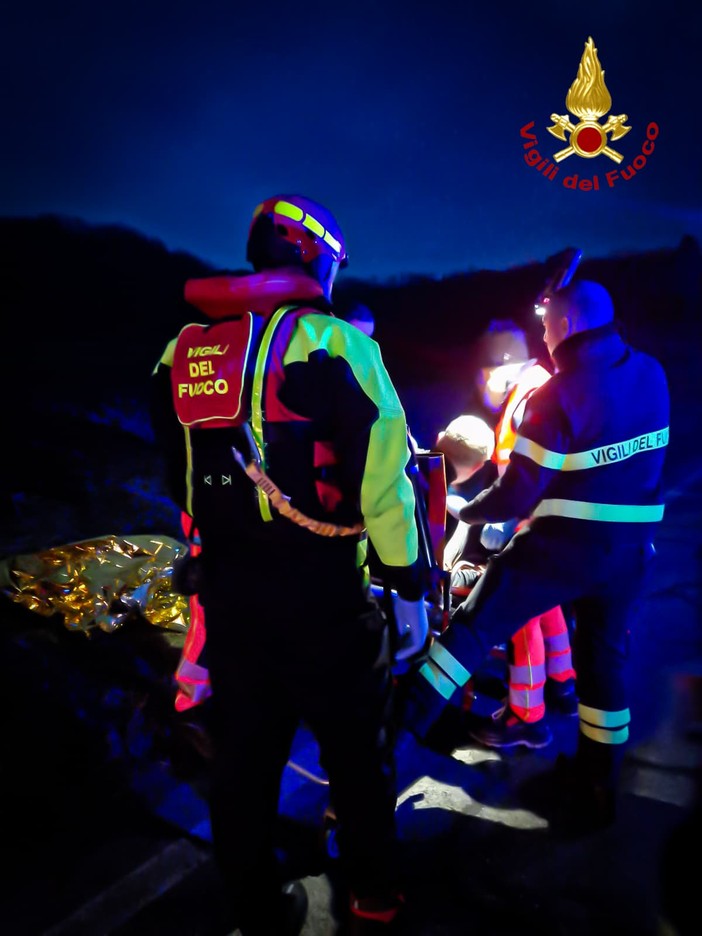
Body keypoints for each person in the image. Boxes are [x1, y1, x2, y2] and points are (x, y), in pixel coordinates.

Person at [150, 193, 429, 934]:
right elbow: (384, 480)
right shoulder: (338, 343)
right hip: (328, 595)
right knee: (359, 760)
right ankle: (374, 897)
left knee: (243, 761)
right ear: (317, 256)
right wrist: (408, 585)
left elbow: (178, 474)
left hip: (235, 596)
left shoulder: (183, 351)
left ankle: (255, 905)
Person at [403, 279, 670, 833]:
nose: (543, 335)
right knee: (604, 665)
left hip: (563, 547)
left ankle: (387, 742)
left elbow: (518, 495)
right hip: (631, 555)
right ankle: (600, 782)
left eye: (547, 325)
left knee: (471, 630)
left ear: (568, 326)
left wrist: (466, 513)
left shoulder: (556, 396)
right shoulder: (652, 374)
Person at [454, 321, 578, 750]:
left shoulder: (530, 400)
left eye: (485, 371)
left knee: (516, 612)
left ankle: (526, 715)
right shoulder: (540, 388)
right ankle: (563, 685)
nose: (482, 382)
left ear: (504, 365)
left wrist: (497, 522)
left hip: (534, 520)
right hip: (552, 522)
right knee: (548, 607)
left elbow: (530, 477)